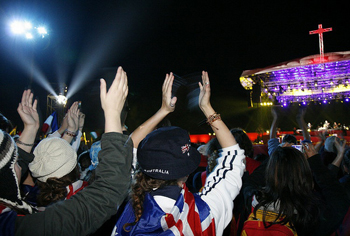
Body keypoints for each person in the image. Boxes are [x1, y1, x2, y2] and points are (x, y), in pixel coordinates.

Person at [0, 66, 133, 236]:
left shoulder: (27, 200)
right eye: (14, 162)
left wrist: (31, 128)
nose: (20, 163)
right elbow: (109, 190)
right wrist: (114, 113)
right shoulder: (25, 228)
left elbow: (42, 159)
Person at [112, 71, 246, 235]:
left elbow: (129, 147)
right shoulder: (204, 213)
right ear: (187, 173)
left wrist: (163, 110)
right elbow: (233, 160)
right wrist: (207, 108)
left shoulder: (126, 202)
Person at [242, 140, 350, 235]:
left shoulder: (254, 201)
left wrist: (275, 158)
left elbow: (249, 183)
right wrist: (316, 163)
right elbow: (339, 199)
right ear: (305, 174)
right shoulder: (311, 214)